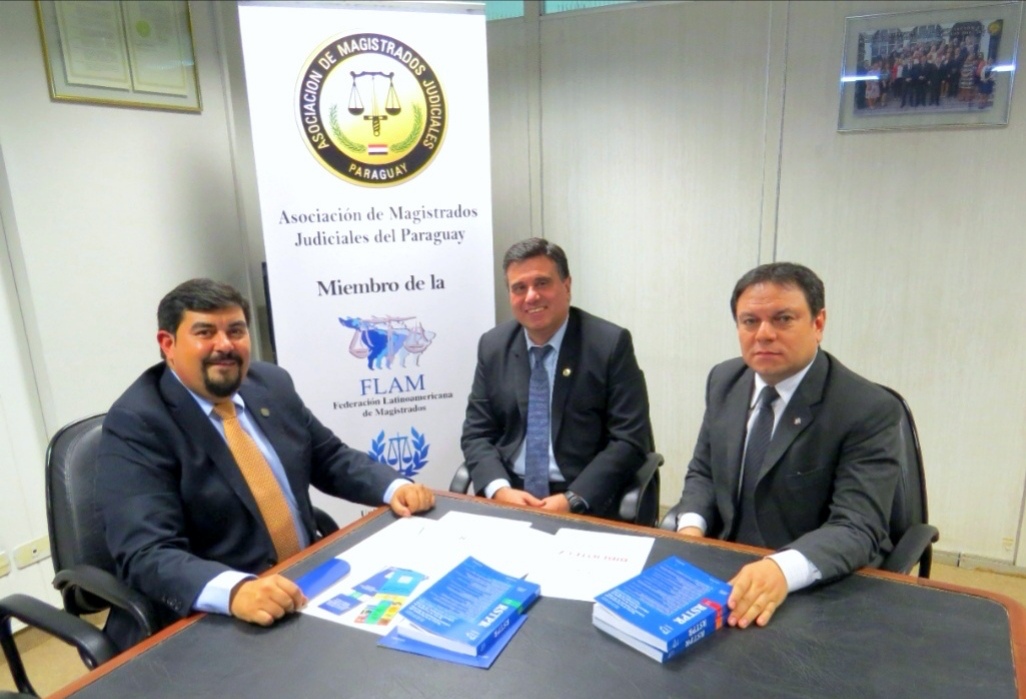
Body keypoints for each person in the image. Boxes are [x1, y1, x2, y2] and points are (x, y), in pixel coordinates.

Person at [98, 279, 434, 650]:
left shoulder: (271, 384)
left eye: (235, 331)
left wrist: (394, 487)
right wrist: (234, 591)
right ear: (168, 344)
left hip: (305, 582)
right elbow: (147, 552)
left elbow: (329, 457)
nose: (225, 345)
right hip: (218, 617)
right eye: (205, 332)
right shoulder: (138, 422)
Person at [674, 262, 900, 630]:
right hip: (725, 565)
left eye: (783, 319)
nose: (764, 334)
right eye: (750, 321)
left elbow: (858, 526)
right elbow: (704, 471)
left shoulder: (867, 408)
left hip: (810, 580)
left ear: (818, 323)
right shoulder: (724, 380)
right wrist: (690, 531)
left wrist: (780, 568)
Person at [461, 238, 652, 518]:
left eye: (542, 283)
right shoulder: (494, 346)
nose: (531, 297)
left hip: (583, 496)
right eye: (519, 288)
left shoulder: (609, 345)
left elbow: (629, 440)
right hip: (511, 494)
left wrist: (573, 499)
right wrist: (499, 489)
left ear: (567, 286)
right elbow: (476, 433)